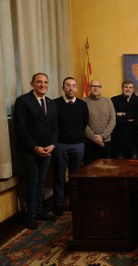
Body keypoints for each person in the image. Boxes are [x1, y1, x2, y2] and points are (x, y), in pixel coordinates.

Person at [13, 73, 58, 229]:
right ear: (32, 83)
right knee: (32, 182)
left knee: (41, 181)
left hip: (47, 150)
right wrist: (35, 148)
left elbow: (55, 128)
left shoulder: (51, 103)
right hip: (30, 151)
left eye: (45, 82)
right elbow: (20, 129)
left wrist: (52, 144)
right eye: (39, 82)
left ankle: (39, 211)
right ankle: (30, 216)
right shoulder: (23, 101)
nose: (43, 84)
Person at [52, 77, 89, 216]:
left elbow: (85, 122)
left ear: (77, 88)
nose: (71, 88)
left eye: (74, 85)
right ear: (63, 88)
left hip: (78, 145)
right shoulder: (55, 104)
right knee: (59, 177)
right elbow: (53, 124)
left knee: (75, 178)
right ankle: (59, 206)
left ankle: (75, 204)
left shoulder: (82, 104)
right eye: (68, 85)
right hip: (60, 145)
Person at [83, 79, 116, 165]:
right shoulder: (82, 102)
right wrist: (94, 138)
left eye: (98, 86)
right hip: (89, 142)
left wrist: (102, 136)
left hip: (106, 142)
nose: (96, 88)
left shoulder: (108, 101)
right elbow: (82, 123)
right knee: (89, 169)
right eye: (93, 86)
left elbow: (112, 120)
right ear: (89, 88)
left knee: (106, 170)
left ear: (101, 88)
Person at [111, 80, 138, 159]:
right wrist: (129, 118)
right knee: (120, 165)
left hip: (133, 138)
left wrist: (123, 114)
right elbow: (113, 117)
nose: (128, 89)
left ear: (133, 89)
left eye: (130, 87)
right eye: (126, 87)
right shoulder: (114, 100)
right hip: (119, 138)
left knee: (134, 165)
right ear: (122, 88)